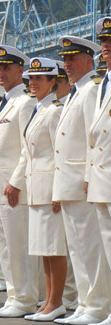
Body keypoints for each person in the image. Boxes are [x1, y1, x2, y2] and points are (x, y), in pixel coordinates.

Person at [53, 35, 110, 325]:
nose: (67, 64)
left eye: (72, 58)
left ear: (88, 59)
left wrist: (88, 175)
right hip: (73, 180)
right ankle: (88, 304)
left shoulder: (90, 90)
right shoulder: (78, 91)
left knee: (90, 248)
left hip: (85, 179)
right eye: (65, 60)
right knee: (78, 248)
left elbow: (93, 139)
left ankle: (97, 304)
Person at [0, 45, 39, 318]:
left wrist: (16, 181)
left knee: (18, 247)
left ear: (20, 70)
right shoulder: (2, 104)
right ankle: (15, 297)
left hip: (13, 188)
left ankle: (25, 298)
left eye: (7, 67)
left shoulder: (26, 102)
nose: (1, 72)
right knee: (5, 248)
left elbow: (28, 147)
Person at [18, 57, 67, 322]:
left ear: (52, 82)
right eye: (31, 78)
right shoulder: (37, 109)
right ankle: (48, 300)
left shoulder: (55, 110)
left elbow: (59, 153)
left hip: (49, 187)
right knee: (43, 248)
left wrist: (58, 190)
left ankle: (56, 301)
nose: (34, 83)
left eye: (40, 78)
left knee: (54, 247)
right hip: (35, 185)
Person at [84, 17, 111, 325]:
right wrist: (89, 177)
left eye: (110, 42)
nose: (106, 46)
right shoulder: (102, 83)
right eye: (103, 41)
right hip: (102, 180)